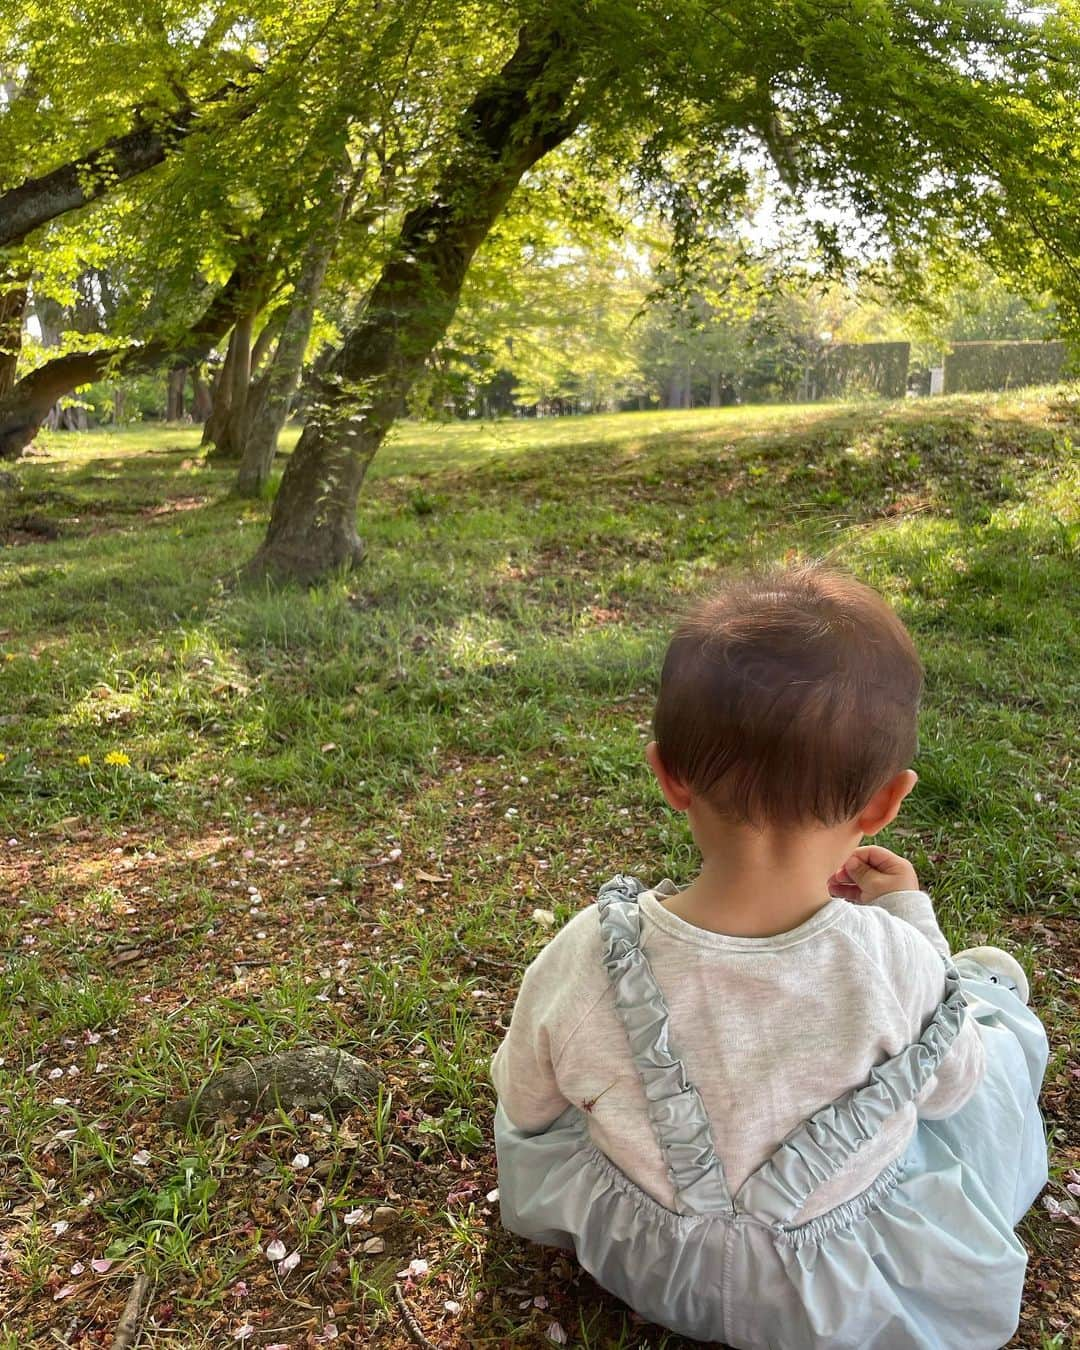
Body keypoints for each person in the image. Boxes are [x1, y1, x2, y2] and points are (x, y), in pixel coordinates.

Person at [492, 564, 1048, 1350]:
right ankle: (992, 984)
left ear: (669, 777)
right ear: (887, 802)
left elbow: (525, 1100)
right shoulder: (895, 961)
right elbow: (953, 1090)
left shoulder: (588, 953)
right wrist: (909, 919)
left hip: (653, 1267)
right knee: (986, 1031)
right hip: (833, 1295)